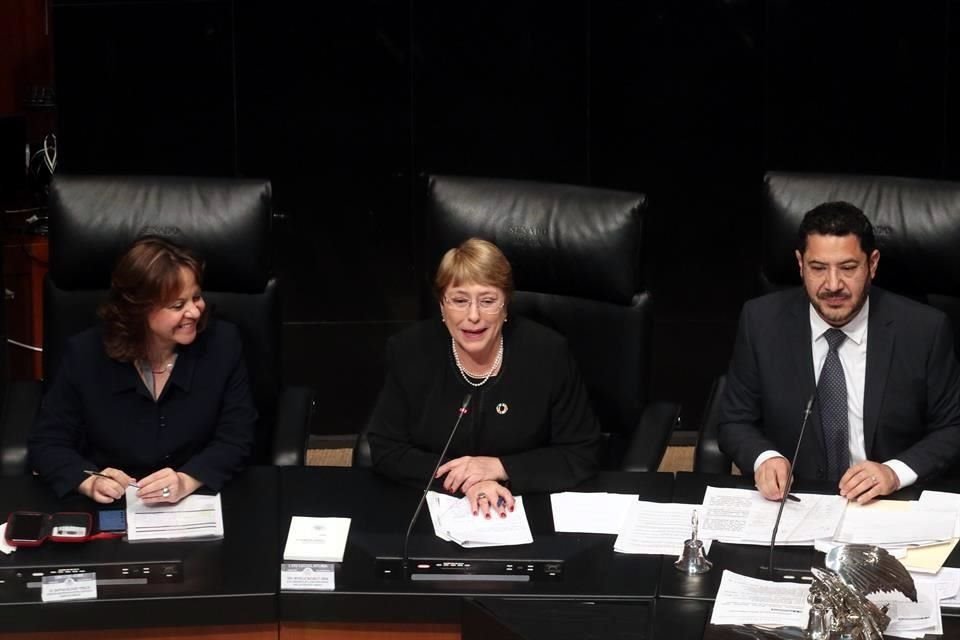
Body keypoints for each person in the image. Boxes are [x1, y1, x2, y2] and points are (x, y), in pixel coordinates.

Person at [718, 201, 960, 504]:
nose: (833, 285)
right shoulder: (761, 321)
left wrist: (894, 473)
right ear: (800, 263)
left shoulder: (924, 329)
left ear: (872, 264)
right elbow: (734, 421)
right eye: (818, 268)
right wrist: (764, 458)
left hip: (886, 505)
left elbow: (952, 428)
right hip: (794, 503)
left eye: (848, 268)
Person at [367, 237, 602, 518]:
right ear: (442, 305)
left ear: (506, 305)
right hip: (433, 506)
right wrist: (469, 481)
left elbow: (581, 452)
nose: (473, 316)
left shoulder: (548, 353)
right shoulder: (409, 351)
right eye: (459, 301)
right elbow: (386, 449)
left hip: (529, 507)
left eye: (488, 301)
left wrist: (499, 467)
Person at [28, 236, 257, 504]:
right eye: (177, 305)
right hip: (114, 505)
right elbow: (47, 443)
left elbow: (237, 438)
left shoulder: (223, 344)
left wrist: (187, 479)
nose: (194, 312)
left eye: (196, 297)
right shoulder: (85, 354)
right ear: (138, 310)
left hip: (197, 499)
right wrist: (88, 481)